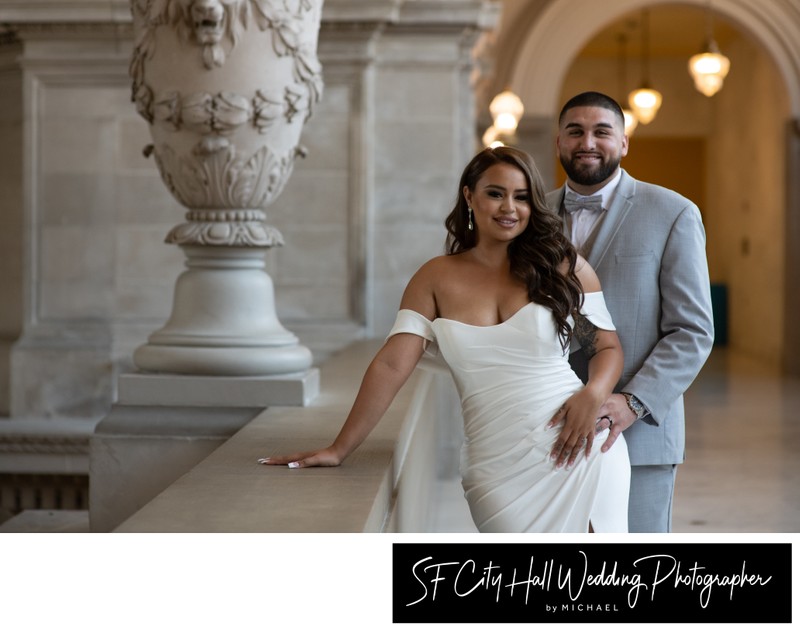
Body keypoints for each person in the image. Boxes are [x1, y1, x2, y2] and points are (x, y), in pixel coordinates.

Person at [261, 145, 631, 533]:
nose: (509, 207)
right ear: (469, 196)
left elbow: (607, 347)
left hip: (579, 439)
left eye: (521, 197)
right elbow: (391, 365)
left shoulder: (564, 265)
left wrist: (593, 394)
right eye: (495, 193)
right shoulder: (434, 278)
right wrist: (339, 449)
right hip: (495, 464)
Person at [546, 91, 715, 533]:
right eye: (575, 131)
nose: (588, 142)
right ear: (558, 142)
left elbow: (692, 331)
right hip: (544, 430)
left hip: (637, 434)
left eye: (602, 131)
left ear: (623, 143)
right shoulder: (530, 216)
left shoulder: (673, 212)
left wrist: (633, 403)